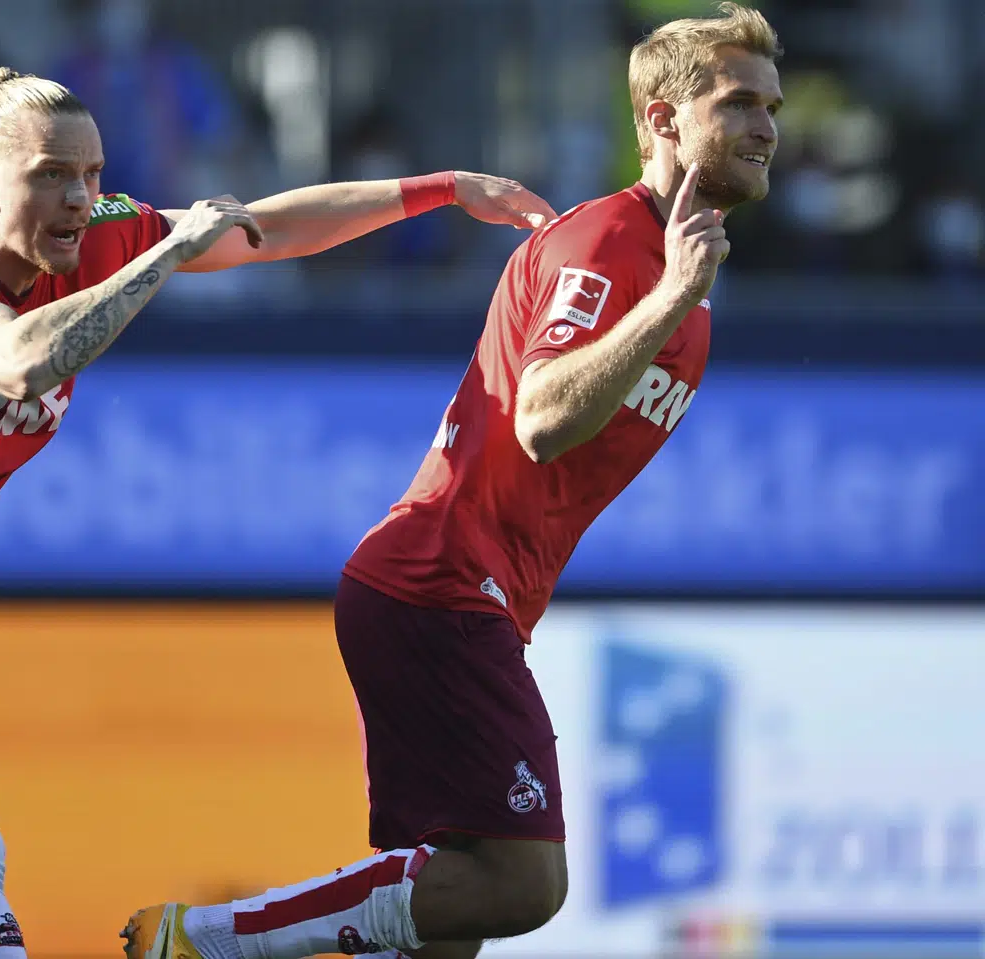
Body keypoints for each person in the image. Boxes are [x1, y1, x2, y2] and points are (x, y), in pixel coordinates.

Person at [0, 65, 555, 959]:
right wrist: (165, 254)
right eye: (51, 177)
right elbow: (17, 360)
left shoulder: (92, 235)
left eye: (94, 176)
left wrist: (442, 190)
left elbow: (259, 232)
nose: (80, 200)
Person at [123, 3, 782, 958]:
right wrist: (673, 293)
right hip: (437, 585)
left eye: (770, 104)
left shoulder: (690, 285)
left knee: (450, 917)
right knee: (523, 879)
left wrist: (685, 291)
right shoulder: (613, 246)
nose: (766, 125)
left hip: (462, 599)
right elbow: (544, 418)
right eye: (736, 102)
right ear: (662, 121)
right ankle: (209, 937)